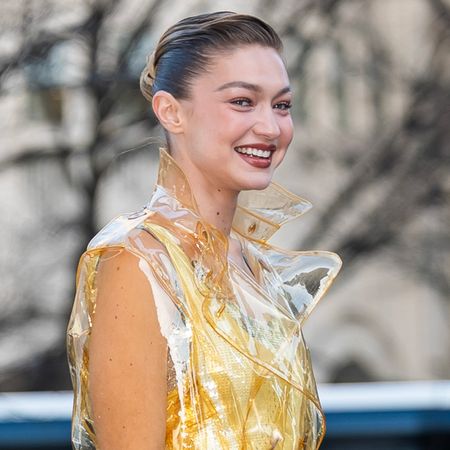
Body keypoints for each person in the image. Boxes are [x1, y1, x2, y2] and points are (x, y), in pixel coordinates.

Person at [66, 11, 342, 450]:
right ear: (171, 111)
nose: (270, 127)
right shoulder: (138, 262)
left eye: (282, 105)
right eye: (242, 101)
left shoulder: (252, 265)